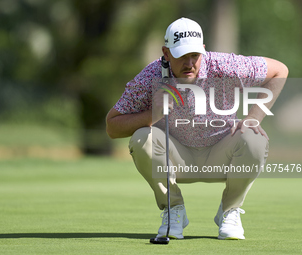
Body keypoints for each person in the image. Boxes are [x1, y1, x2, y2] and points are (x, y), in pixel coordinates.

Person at [106, 17, 288, 240]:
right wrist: (151, 116)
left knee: (255, 138)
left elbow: (280, 71)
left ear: (203, 50)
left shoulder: (225, 65)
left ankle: (229, 211)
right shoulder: (150, 76)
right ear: (166, 52)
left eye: (194, 55)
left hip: (222, 154)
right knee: (141, 137)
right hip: (175, 158)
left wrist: (254, 117)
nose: (189, 63)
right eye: (182, 55)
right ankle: (174, 210)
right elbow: (112, 126)